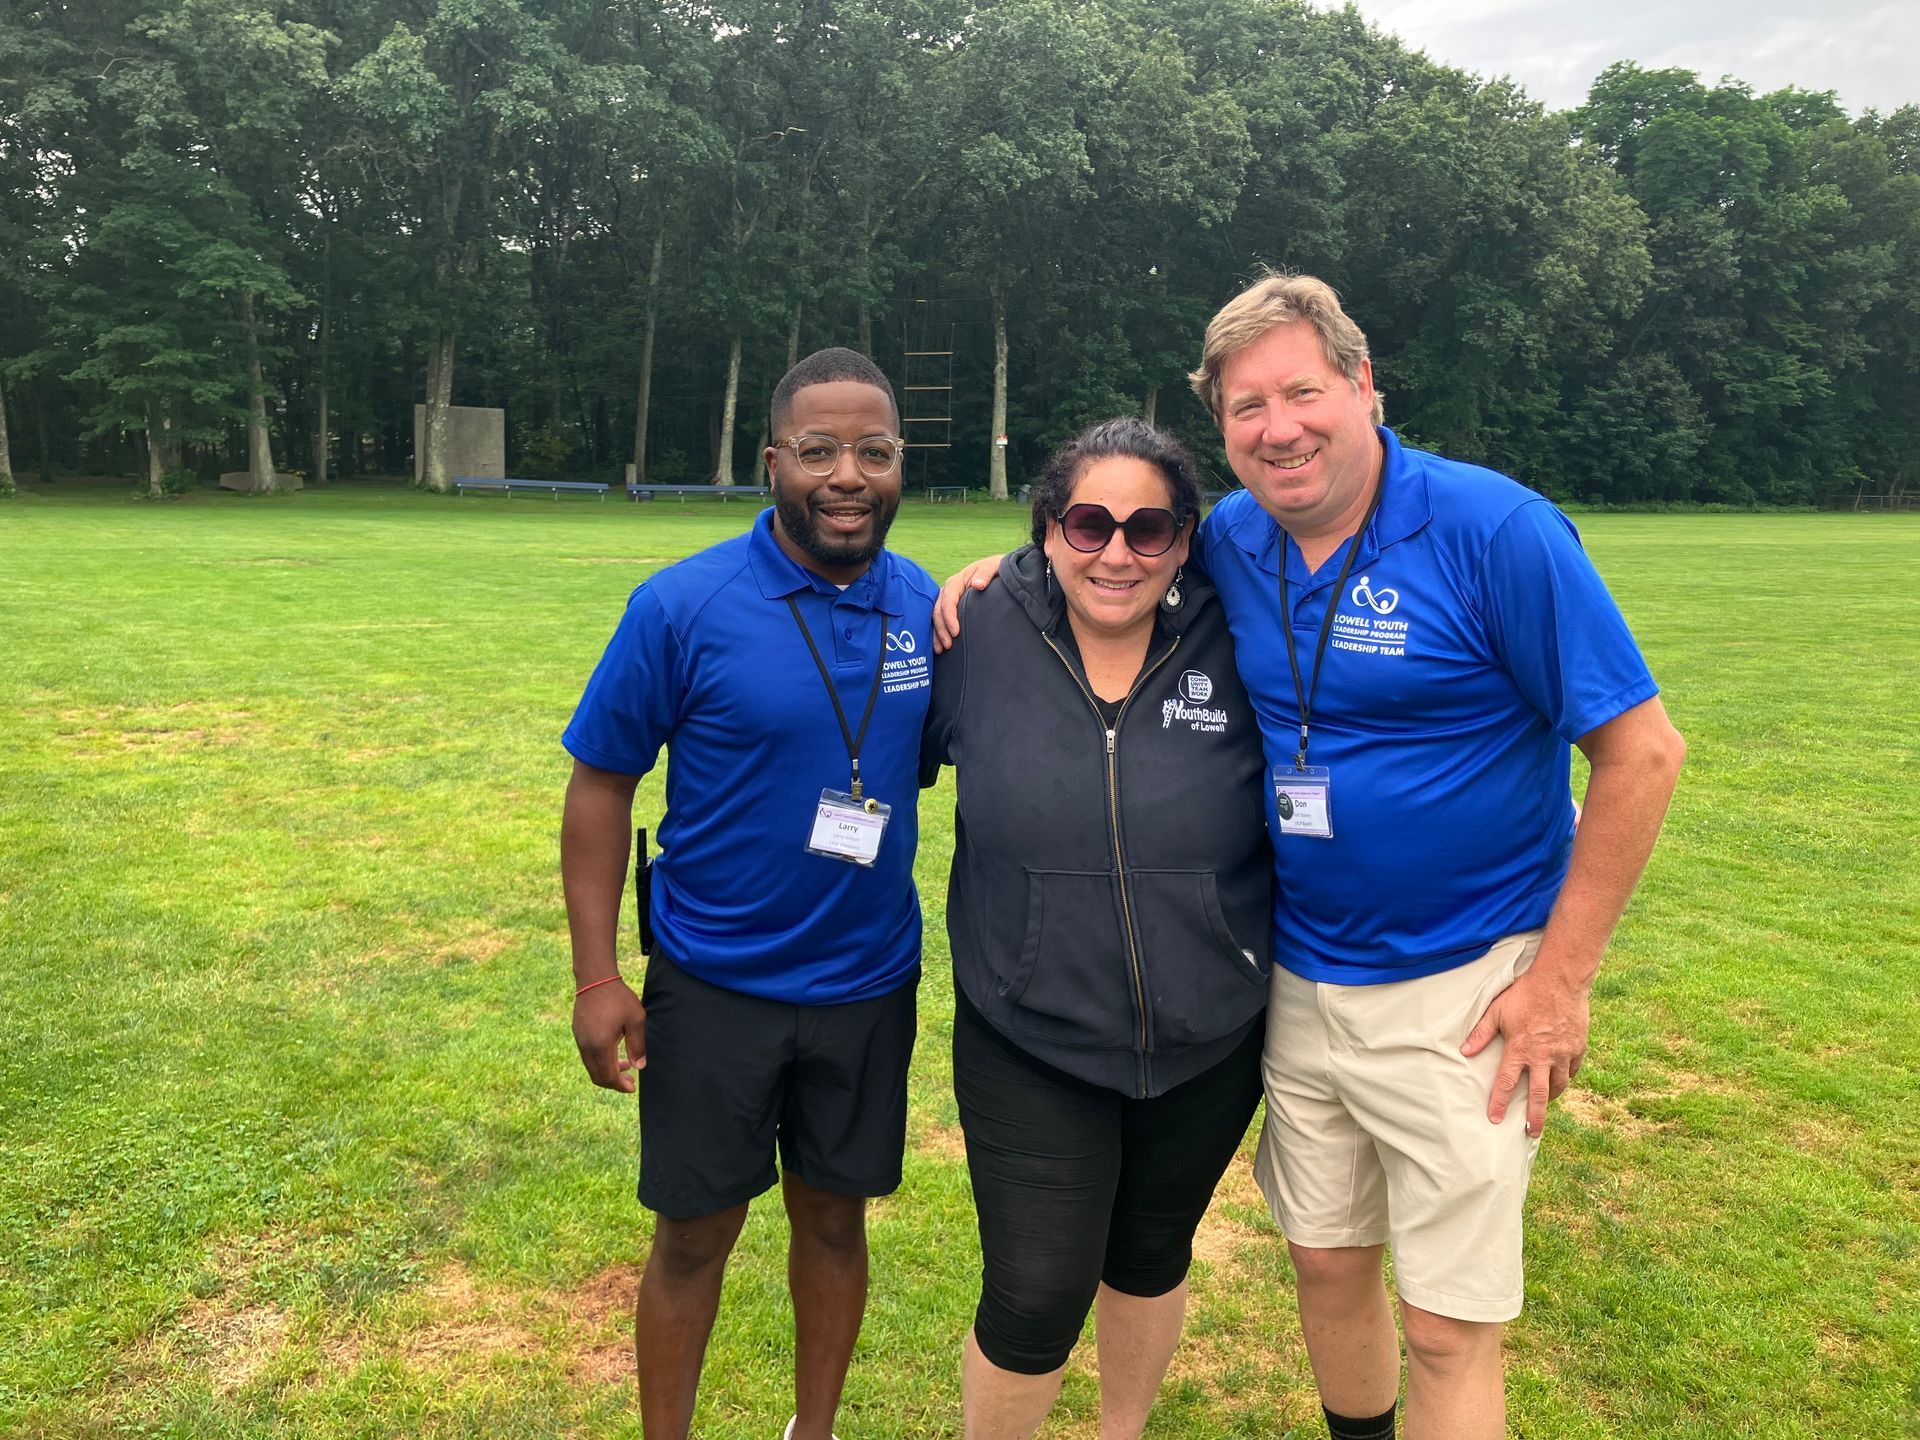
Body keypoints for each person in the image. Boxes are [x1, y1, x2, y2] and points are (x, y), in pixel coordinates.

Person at [934, 274, 1686, 1440]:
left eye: (1302, 391)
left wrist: (1561, 985)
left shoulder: (1496, 531)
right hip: (1292, 979)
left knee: (1445, 1323)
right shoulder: (1229, 537)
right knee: (1328, 1270)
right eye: (1246, 406)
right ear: (1223, 432)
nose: (1278, 426)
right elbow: (1102, 541)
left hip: (1465, 986)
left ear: (1364, 384)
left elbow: (1642, 755)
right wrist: (995, 574)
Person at [561, 347, 938, 1440]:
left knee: (834, 1222)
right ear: (772, 459)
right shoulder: (684, 605)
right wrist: (597, 975)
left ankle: (809, 1434)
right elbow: (600, 787)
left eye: (873, 450)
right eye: (819, 450)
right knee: (692, 1235)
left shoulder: (924, 605)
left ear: (899, 461)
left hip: (868, 982)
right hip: (715, 985)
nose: (847, 475)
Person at [922, 417, 1273, 1440]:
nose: (1116, 552)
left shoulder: (1239, 630)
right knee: (1034, 1296)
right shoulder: (972, 633)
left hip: (1212, 1033)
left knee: (1151, 1255)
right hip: (1028, 1032)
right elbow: (866, 761)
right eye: (1088, 523)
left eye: (1148, 529)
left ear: (1186, 540)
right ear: (1045, 529)